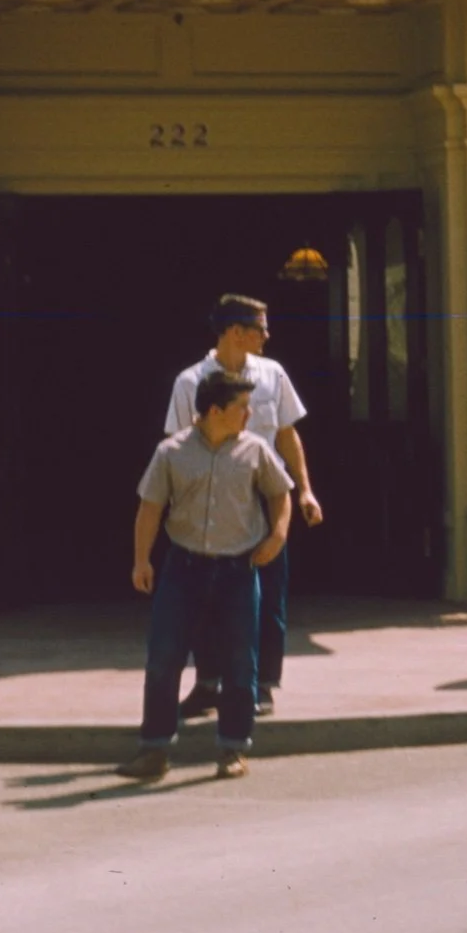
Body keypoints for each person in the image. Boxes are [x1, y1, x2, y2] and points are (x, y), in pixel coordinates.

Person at [116, 374, 293, 783]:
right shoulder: (171, 452)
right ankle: (155, 751)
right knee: (164, 657)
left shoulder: (256, 451)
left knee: (239, 661)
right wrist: (141, 560)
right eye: (242, 408)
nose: (250, 415)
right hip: (185, 568)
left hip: (237, 569)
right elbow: (150, 509)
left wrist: (278, 536)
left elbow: (279, 494)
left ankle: (233, 748)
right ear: (215, 411)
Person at [165, 294, 321, 719]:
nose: (267, 336)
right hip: (212, 503)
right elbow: (177, 447)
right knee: (206, 597)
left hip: (263, 497)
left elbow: (287, 435)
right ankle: (209, 683)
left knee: (269, 594)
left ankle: (263, 684)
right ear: (236, 332)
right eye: (260, 328)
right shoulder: (190, 382)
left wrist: (304, 490)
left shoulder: (272, 376)